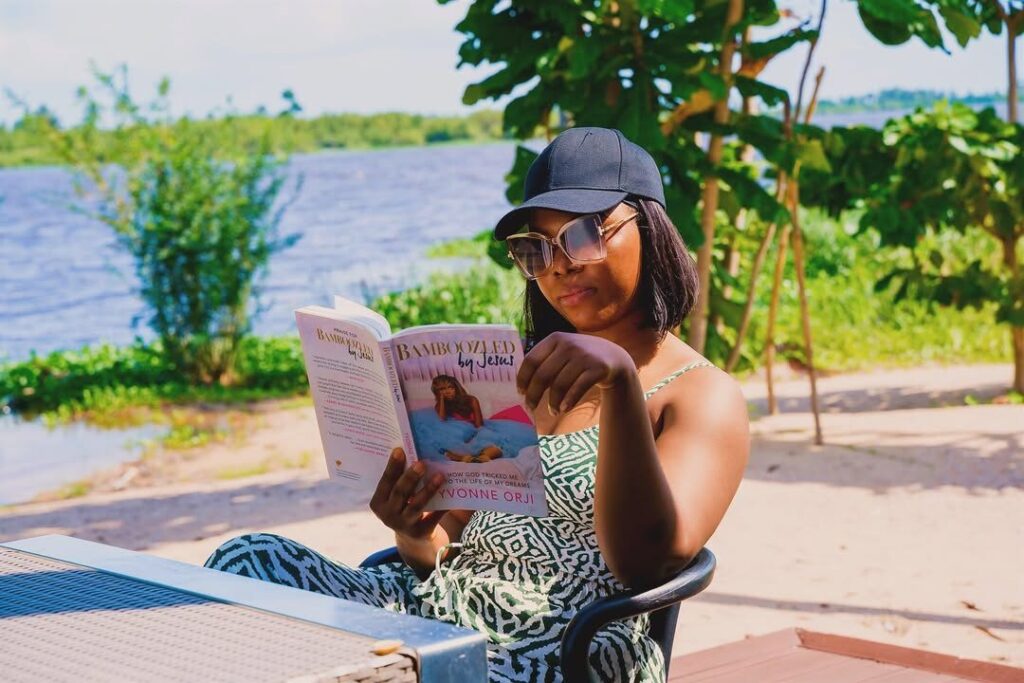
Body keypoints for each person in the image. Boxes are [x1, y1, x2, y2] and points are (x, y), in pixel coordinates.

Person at [204, 127, 749, 682]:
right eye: (536, 248)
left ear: (650, 230)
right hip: (442, 616)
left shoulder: (700, 394)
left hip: (562, 643)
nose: (558, 265)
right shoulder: (516, 373)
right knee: (248, 561)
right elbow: (445, 543)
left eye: (584, 234)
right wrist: (414, 529)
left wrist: (621, 389)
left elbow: (643, 564)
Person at [429, 374, 504, 462]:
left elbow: (479, 425)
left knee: (496, 444)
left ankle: (479, 457)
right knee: (438, 444)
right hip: (454, 435)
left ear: (456, 388)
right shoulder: (440, 406)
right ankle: (465, 457)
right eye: (442, 389)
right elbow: (441, 420)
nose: (447, 391)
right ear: (437, 392)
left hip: (475, 432)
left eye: (450, 387)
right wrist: (441, 399)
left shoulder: (471, 400)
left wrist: (473, 438)